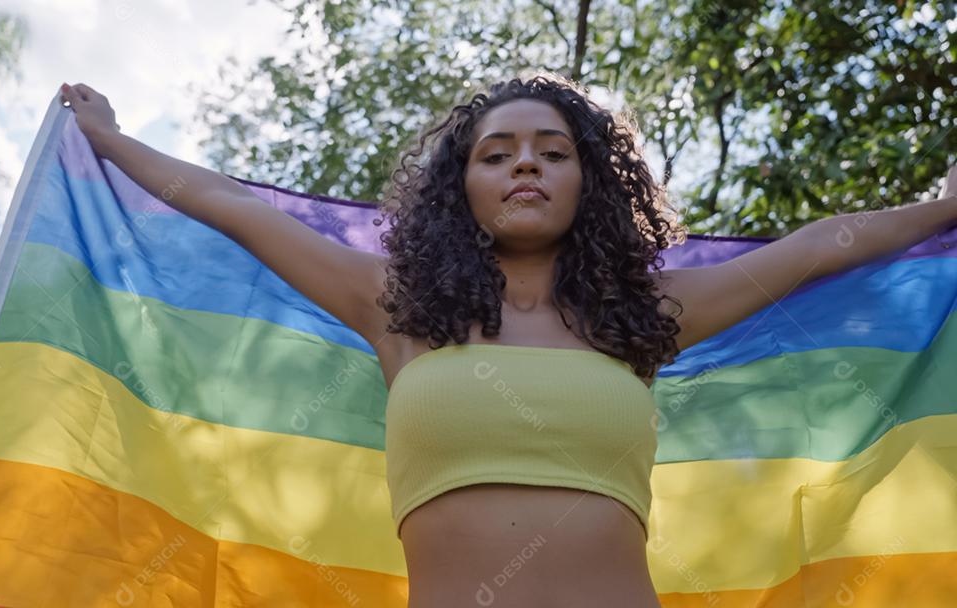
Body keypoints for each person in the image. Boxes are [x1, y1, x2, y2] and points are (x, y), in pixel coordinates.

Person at [60, 73, 957, 607]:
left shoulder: (643, 319)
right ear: (464, 187)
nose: (524, 162)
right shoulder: (394, 308)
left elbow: (813, 251)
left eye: (552, 150)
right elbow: (230, 207)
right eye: (497, 153)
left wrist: (949, 205)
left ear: (589, 183)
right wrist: (109, 138)